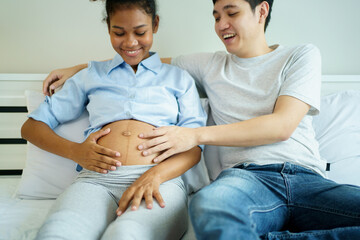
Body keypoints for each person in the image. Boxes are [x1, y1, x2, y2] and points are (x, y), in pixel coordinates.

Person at [42, 0, 360, 239]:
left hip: (307, 179)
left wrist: (195, 136)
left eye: (231, 13)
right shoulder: (207, 65)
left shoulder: (300, 55)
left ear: (261, 11)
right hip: (245, 180)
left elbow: (281, 126)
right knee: (208, 207)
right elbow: (136, 57)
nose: (221, 24)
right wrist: (77, 69)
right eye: (216, 16)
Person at [22, 0, 207, 239]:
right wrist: (76, 152)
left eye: (140, 32)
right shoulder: (90, 75)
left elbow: (194, 148)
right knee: (58, 232)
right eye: (119, 33)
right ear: (108, 27)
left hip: (160, 181)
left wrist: (155, 176)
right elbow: (31, 127)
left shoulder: (179, 79)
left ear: (156, 24)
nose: (130, 42)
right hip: (96, 181)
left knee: (127, 234)